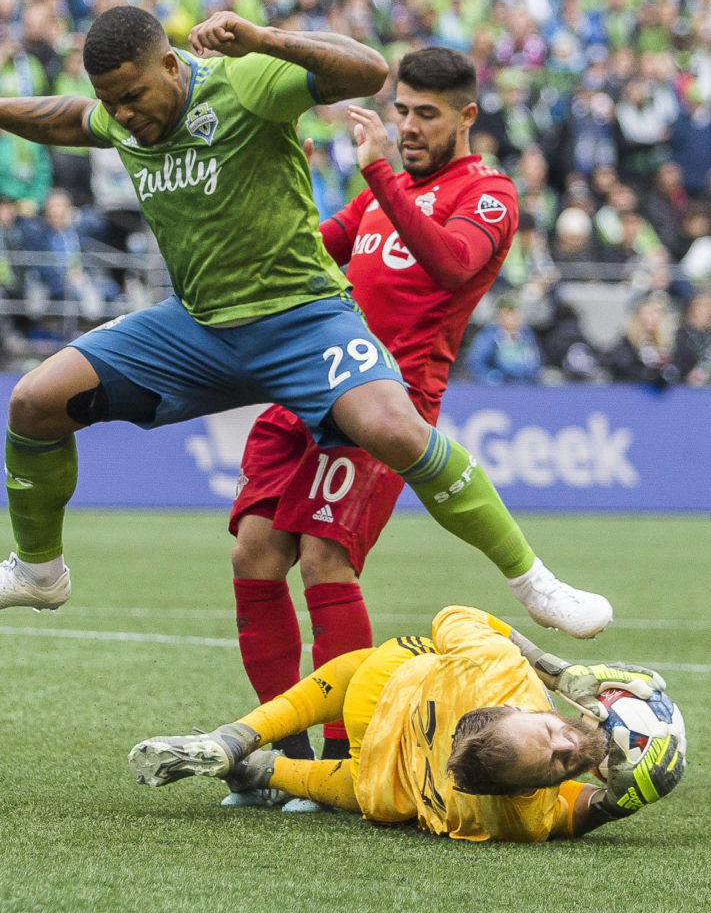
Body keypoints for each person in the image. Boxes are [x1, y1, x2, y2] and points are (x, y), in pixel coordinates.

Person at [0, 7, 611, 638]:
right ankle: (38, 572)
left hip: (302, 320)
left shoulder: (244, 85)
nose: (121, 114)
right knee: (34, 400)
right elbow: (67, 117)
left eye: (132, 96)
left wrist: (265, 39)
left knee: (396, 431)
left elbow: (366, 71)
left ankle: (533, 581)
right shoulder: (118, 114)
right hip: (198, 328)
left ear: (173, 67)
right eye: (110, 101)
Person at [227, 47, 608, 796]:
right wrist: (278, 180)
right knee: (252, 556)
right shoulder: (378, 194)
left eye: (425, 115)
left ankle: (342, 758)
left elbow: (451, 266)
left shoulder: (487, 193)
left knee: (323, 561)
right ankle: (275, 755)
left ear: (466, 116)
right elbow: (306, 249)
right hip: (306, 383)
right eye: (401, 110)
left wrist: (377, 174)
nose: (406, 126)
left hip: (385, 403)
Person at [127, 605, 685, 842]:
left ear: (518, 710)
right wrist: (618, 803)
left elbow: (457, 616)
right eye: (562, 749)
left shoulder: (498, 672)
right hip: (384, 791)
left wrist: (559, 674)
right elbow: (570, 815)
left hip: (380, 697)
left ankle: (239, 738)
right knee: (323, 782)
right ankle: (258, 770)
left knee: (376, 663)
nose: (568, 742)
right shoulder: (516, 818)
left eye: (556, 749)